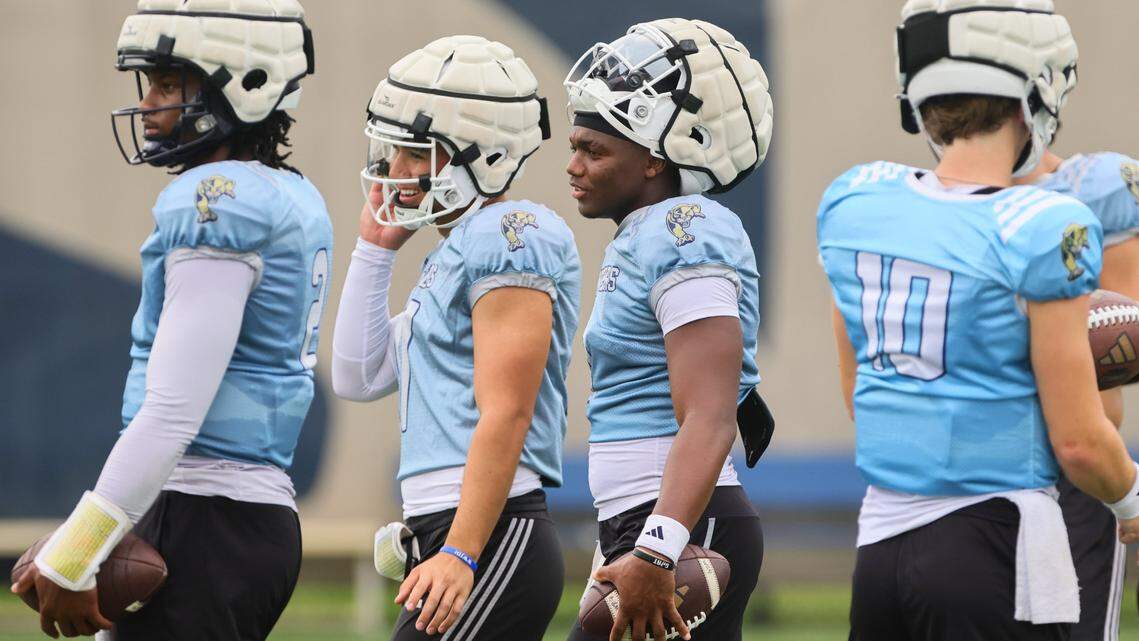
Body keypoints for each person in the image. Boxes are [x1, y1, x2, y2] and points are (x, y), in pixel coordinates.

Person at [818, 1, 1139, 639]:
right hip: (999, 539)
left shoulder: (857, 199)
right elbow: (1080, 440)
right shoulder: (1047, 225)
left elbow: (863, 396)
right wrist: (1130, 496)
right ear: (1035, 92)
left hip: (880, 543)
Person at [10, 1, 327, 640]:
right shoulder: (287, 194)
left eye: (167, 83)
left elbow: (174, 411)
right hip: (231, 512)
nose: (149, 104)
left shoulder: (218, 201)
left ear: (244, 83)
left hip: (207, 515)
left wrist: (79, 547)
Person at [330, 35, 580, 641]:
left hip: (492, 534)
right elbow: (356, 375)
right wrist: (373, 247)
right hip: (456, 528)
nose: (396, 169)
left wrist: (464, 551)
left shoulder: (509, 233)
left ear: (484, 155)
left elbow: (508, 410)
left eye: (416, 152)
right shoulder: (455, 251)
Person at [562, 18, 774, 641]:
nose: (574, 166)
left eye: (595, 151)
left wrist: (656, 547)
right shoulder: (643, 235)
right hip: (652, 519)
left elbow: (710, 413)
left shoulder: (684, 229)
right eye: (574, 146)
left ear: (657, 161)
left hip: (682, 525)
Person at [1018, 145, 1139, 638]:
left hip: (1076, 471)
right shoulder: (937, 204)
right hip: (971, 474)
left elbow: (1125, 337)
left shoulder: (1098, 185)